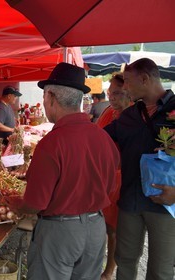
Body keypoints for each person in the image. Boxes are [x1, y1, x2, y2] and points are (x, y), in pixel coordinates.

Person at [7, 62, 120, 280]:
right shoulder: (103, 137)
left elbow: (36, 203)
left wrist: (17, 204)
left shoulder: (52, 143)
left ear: (50, 97)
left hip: (60, 232)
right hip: (96, 227)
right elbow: (111, 183)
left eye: (44, 97)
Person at [104, 58, 175, 280]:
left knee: (160, 270)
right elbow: (100, 138)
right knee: (125, 261)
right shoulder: (130, 115)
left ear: (144, 79)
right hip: (131, 201)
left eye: (127, 81)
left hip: (165, 204)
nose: (124, 87)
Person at [96, 73, 131, 280]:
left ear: (129, 92)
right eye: (110, 93)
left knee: (114, 230)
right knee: (101, 225)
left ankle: (109, 271)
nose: (112, 97)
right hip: (103, 177)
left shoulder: (135, 116)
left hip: (122, 179)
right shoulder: (109, 112)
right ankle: (97, 263)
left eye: (117, 93)